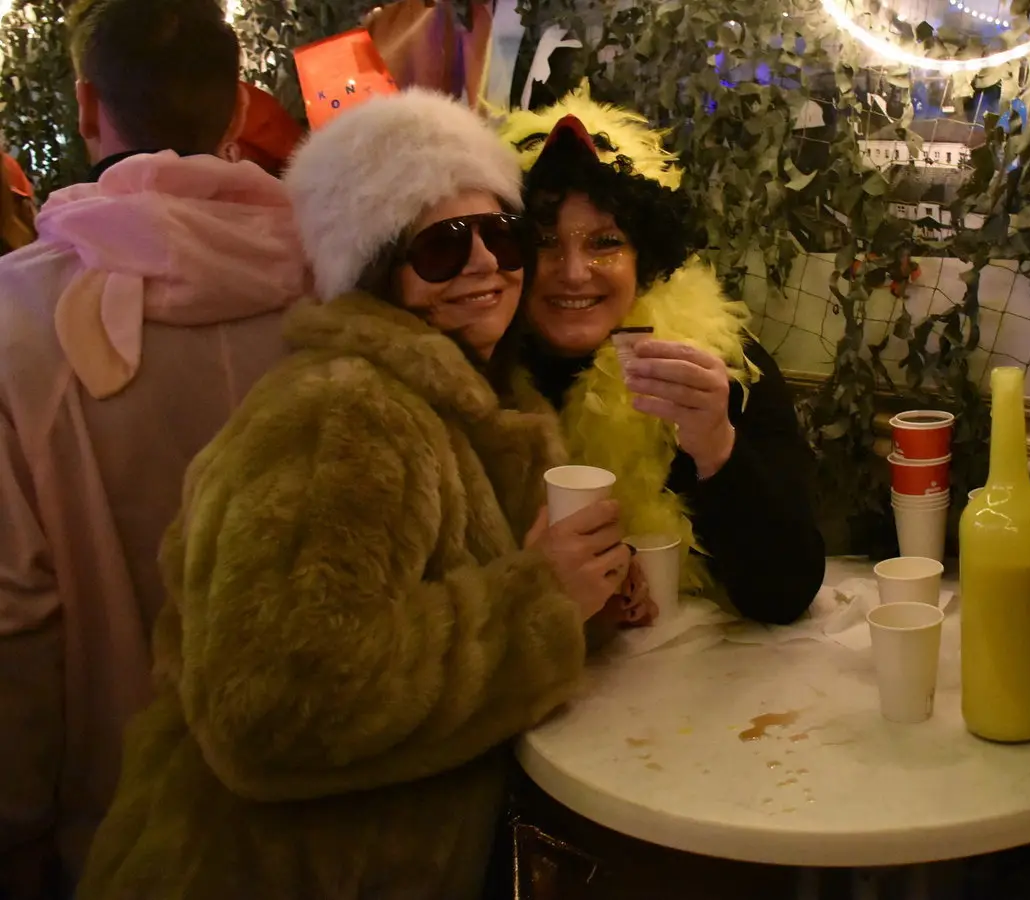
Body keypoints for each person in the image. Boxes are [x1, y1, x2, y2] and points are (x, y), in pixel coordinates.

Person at [75, 90, 620, 899]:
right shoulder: (343, 412)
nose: (483, 264)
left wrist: (592, 594)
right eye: (441, 248)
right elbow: (273, 704)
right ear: (377, 270)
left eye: (500, 234)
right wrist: (538, 602)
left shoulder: (484, 404)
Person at [0, 0, 305, 895]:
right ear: (241, 107)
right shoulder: (339, 280)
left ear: (88, 106)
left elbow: (16, 616)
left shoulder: (15, 321)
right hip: (323, 811)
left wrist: (15, 828)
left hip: (117, 834)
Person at [500, 85, 826, 626]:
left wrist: (717, 447)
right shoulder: (478, 372)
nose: (574, 272)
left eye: (605, 242)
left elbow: (786, 594)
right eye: (544, 241)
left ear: (645, 258)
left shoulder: (717, 365)